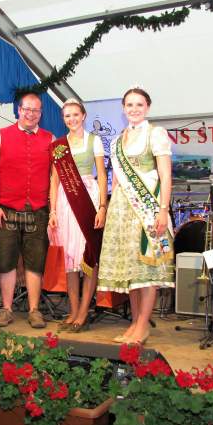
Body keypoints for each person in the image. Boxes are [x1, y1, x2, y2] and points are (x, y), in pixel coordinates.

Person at [97, 87, 174, 345]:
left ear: (147, 107)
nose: (134, 109)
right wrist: (111, 209)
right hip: (123, 208)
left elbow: (165, 175)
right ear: (123, 108)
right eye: (129, 105)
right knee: (132, 270)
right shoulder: (118, 141)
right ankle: (134, 323)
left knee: (147, 269)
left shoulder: (156, 134)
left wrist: (163, 210)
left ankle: (143, 325)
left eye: (139, 104)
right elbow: (117, 180)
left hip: (148, 206)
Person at [0, 93, 54, 329]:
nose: (31, 114)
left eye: (36, 110)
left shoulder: (50, 139)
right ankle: (6, 309)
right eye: (27, 109)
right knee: (6, 261)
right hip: (5, 209)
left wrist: (53, 209)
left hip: (38, 210)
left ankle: (34, 310)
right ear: (19, 110)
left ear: (40, 114)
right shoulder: (0, 135)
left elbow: (55, 177)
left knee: (36, 262)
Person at [48, 98, 107, 332]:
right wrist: (52, 210)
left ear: (83, 116)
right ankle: (73, 310)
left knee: (88, 255)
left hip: (87, 198)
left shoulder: (94, 140)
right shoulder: (58, 145)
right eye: (67, 116)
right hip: (65, 202)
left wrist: (102, 206)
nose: (72, 119)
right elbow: (54, 180)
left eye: (75, 114)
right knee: (70, 259)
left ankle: (83, 311)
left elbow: (102, 175)